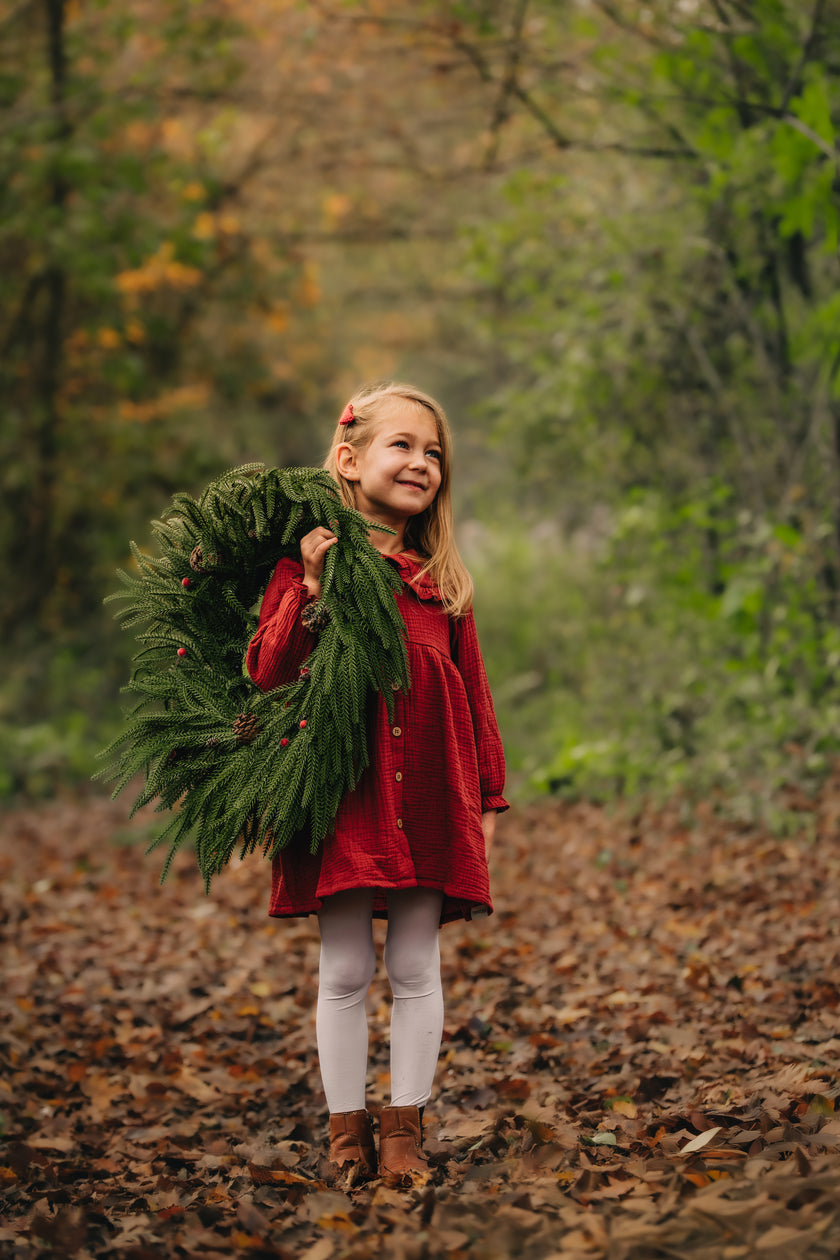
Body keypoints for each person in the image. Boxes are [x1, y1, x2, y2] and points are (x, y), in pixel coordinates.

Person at [245, 382, 507, 1189]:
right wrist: (317, 593)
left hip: (430, 793)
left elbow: (475, 693)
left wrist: (490, 798)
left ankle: (404, 1129)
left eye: (434, 454)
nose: (422, 463)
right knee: (347, 969)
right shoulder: (305, 565)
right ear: (351, 459)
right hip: (347, 794)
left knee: (419, 963)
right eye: (404, 446)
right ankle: (345, 1132)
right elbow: (268, 672)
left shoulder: (441, 584)